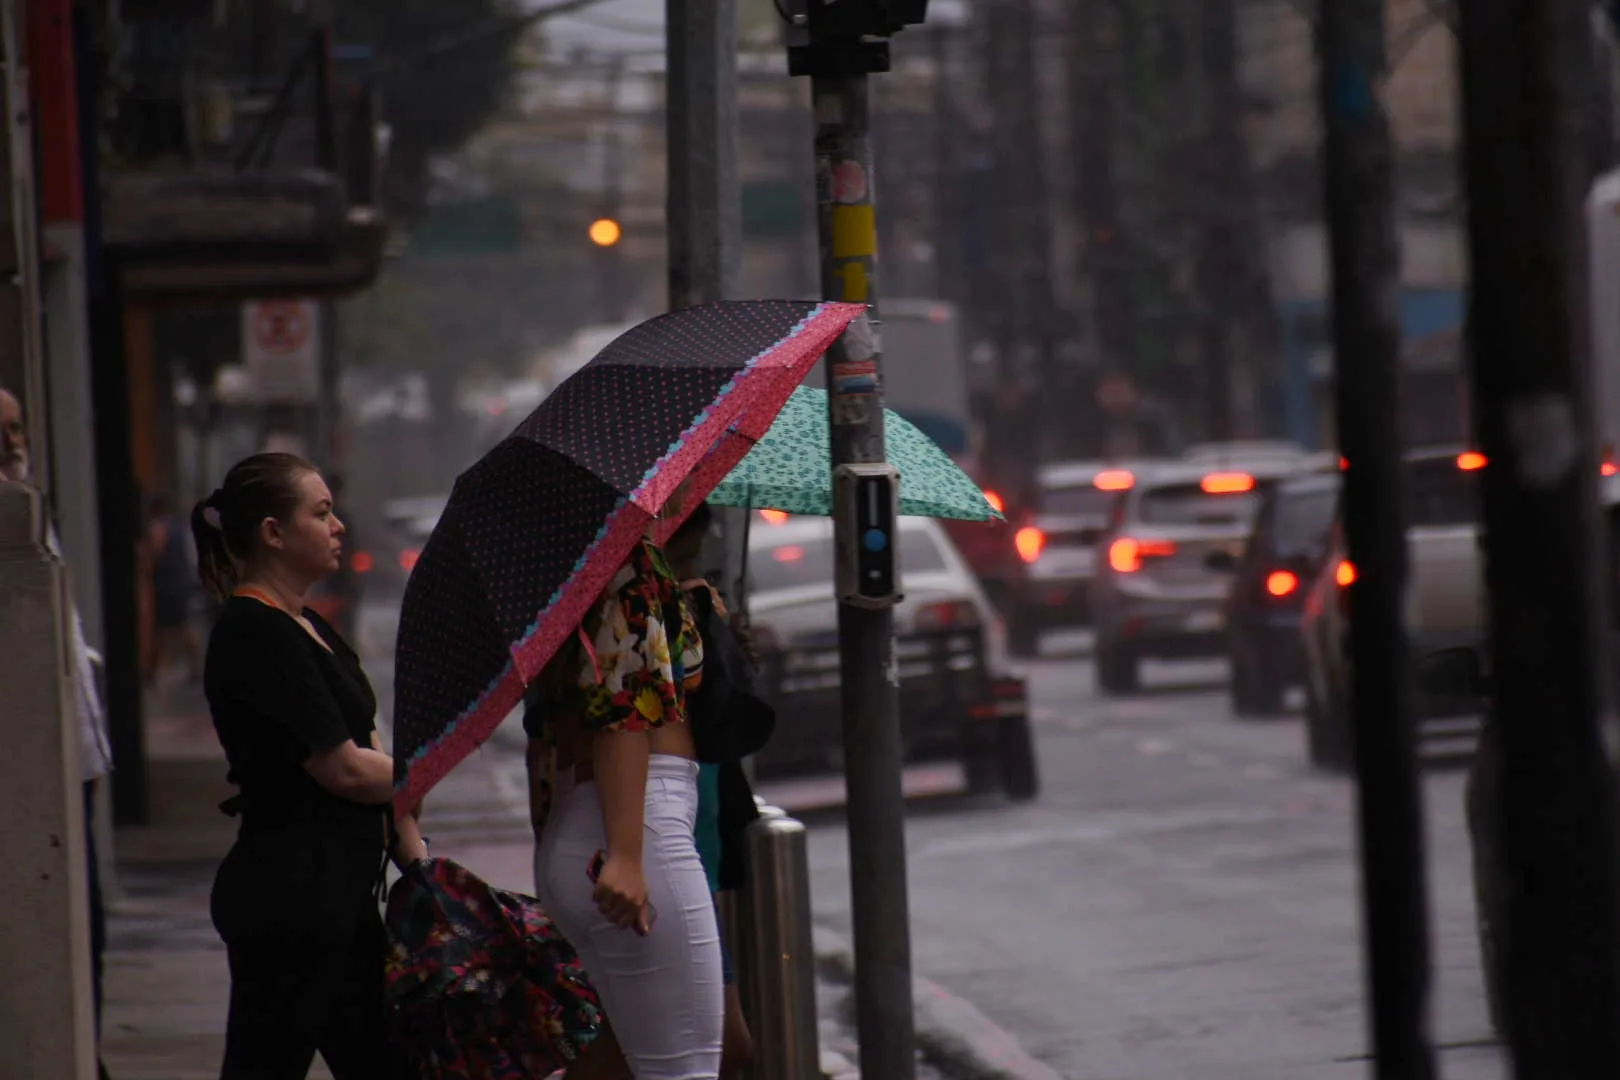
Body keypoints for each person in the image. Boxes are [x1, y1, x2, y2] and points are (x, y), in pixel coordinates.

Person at [191, 451, 426, 1080]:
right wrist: (428, 769)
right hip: (291, 898)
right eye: (321, 513)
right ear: (273, 532)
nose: (339, 525)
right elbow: (344, 769)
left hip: (341, 895)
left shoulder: (308, 625)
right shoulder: (254, 633)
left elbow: (368, 747)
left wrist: (420, 861)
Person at [527, 485, 725, 1080]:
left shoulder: (572, 579)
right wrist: (627, 857)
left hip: (585, 824)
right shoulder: (627, 570)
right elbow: (625, 715)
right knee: (683, 1070)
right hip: (634, 826)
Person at [3, 386, 117, 1080]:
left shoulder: (35, 513)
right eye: (3, 430)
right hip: (36, 776)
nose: (15, 442)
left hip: (76, 763)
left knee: (87, 929)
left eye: (18, 427)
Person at [141, 491, 200, 687]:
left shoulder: (158, 527)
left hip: (166, 583)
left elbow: (154, 554)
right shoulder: (178, 527)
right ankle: (196, 666)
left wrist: (145, 566)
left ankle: (152, 672)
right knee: (183, 625)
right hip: (180, 581)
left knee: (161, 629)